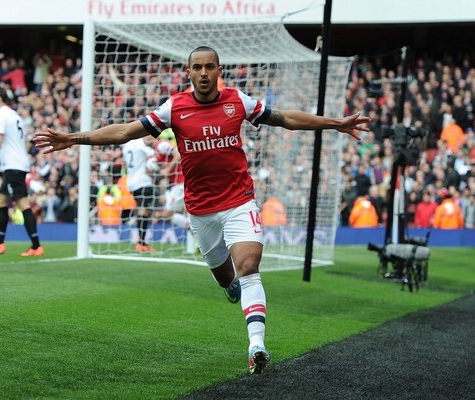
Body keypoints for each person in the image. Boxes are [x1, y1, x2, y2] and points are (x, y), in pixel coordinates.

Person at [33, 46, 368, 374]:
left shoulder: (238, 101)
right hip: (200, 209)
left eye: (211, 67)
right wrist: (73, 138)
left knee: (249, 265)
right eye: (198, 68)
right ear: (189, 72)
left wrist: (335, 123)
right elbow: (124, 131)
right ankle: (230, 288)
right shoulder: (173, 109)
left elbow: (286, 119)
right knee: (226, 277)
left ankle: (256, 346)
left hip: (239, 201)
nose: (205, 73)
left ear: (219, 71)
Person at [0, 86, 44, 256]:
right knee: (1, 200)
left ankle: (36, 246)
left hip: (13, 166)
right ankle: (0, 243)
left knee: (23, 203)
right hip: (16, 164)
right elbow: (23, 143)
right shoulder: (14, 115)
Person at [122, 136, 158, 252]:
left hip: (131, 182)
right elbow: (155, 153)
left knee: (143, 210)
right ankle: (141, 243)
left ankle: (142, 242)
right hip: (143, 181)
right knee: (144, 211)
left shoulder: (127, 145)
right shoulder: (140, 144)